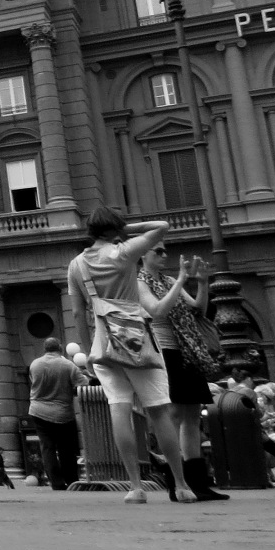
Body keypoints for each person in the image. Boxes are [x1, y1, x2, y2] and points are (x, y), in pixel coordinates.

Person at [67, 206, 195, 504]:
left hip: (104, 344)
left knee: (118, 408)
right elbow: (162, 226)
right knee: (158, 409)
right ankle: (181, 484)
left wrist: (88, 354)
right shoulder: (123, 251)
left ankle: (135, 487)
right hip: (136, 339)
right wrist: (126, 229)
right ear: (114, 229)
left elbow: (77, 312)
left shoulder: (76, 265)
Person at [139, 244, 228, 501]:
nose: (164, 255)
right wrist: (180, 280)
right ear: (143, 255)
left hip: (189, 349)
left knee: (193, 415)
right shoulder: (139, 283)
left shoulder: (167, 280)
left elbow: (197, 309)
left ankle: (198, 483)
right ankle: (176, 483)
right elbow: (157, 311)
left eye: (165, 251)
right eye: (158, 251)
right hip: (165, 351)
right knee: (175, 414)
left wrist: (201, 283)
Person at [28, 337, 88, 491]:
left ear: (45, 348)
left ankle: (56, 483)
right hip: (63, 413)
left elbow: (33, 382)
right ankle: (72, 481)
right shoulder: (68, 365)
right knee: (66, 448)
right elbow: (84, 384)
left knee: (47, 447)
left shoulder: (35, 364)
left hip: (38, 410)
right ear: (60, 347)